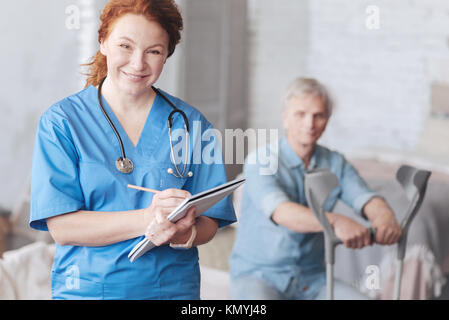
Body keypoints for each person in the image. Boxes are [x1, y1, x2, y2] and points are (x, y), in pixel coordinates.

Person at [29, 0, 235, 300]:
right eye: (125, 46)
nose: (138, 64)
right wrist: (148, 219)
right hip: (89, 291)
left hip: (172, 291)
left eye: (154, 51)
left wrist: (183, 232)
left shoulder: (191, 125)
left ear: (167, 55)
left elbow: (210, 224)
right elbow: (61, 226)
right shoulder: (62, 123)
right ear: (103, 42)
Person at [229, 78, 402, 300]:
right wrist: (337, 221)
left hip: (313, 278)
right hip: (258, 275)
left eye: (318, 115)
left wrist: (384, 217)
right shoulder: (260, 160)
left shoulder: (335, 162)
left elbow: (365, 197)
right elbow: (282, 212)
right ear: (285, 117)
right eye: (300, 114)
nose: (309, 124)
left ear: (327, 120)